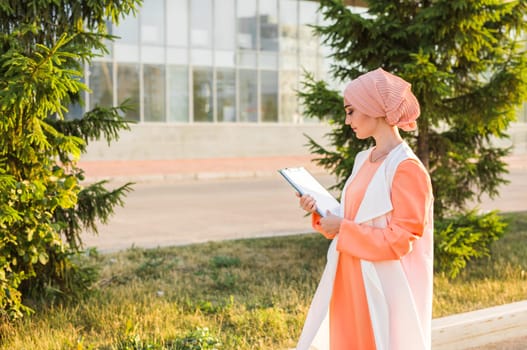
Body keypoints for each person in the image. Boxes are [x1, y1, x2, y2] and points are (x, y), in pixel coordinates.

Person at [295, 68, 434, 350]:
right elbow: (354, 218)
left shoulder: (406, 169)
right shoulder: (363, 159)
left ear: (374, 109)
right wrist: (321, 213)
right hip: (348, 275)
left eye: (351, 111)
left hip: (381, 285)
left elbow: (401, 239)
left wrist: (343, 229)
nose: (347, 121)